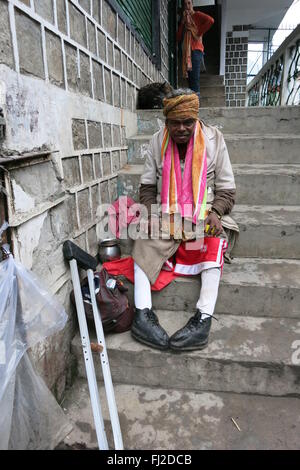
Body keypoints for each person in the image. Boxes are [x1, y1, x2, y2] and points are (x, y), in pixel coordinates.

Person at [131, 89, 238, 352]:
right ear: (165, 121)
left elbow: (227, 190)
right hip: (166, 217)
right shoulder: (158, 140)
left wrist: (216, 212)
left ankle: (202, 321)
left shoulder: (214, 139)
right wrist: (150, 213)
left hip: (203, 218)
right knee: (142, 241)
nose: (181, 128)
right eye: (174, 122)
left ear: (196, 119)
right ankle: (142, 315)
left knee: (213, 246)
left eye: (187, 122)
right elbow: (146, 187)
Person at [177, 0, 214, 97]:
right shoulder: (184, 19)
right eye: (185, 4)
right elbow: (178, 37)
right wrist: (182, 22)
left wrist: (198, 33)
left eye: (189, 3)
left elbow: (211, 20)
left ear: (192, 4)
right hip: (186, 52)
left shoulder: (197, 15)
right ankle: (193, 104)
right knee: (190, 81)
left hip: (196, 51)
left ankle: (196, 105)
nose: (187, 6)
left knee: (194, 79)